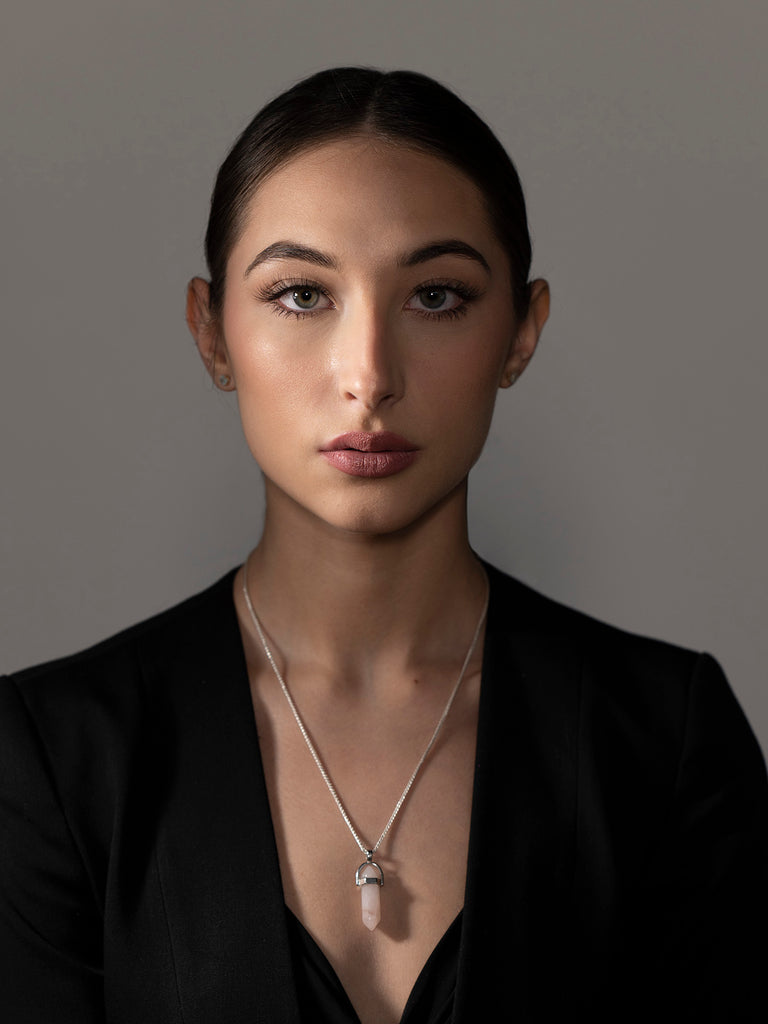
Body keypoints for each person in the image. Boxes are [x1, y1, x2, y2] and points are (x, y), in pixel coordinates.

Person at [1, 67, 766, 1024]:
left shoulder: (666, 741)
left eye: (437, 296)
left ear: (521, 334)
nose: (369, 375)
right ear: (212, 334)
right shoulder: (54, 756)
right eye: (300, 295)